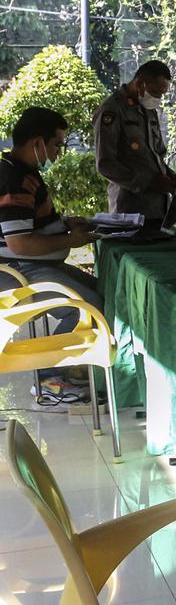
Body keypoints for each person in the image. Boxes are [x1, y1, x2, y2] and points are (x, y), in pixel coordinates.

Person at [1, 107, 104, 399]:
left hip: (28, 264)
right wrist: (70, 240)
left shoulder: (23, 172)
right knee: (89, 306)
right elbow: (20, 243)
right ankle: (52, 379)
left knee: (102, 292)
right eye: (56, 144)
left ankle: (77, 370)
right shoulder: (15, 178)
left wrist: (63, 225)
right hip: (16, 270)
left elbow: (29, 222)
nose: (59, 152)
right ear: (37, 143)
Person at [92, 59, 176, 219]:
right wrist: (149, 182)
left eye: (161, 94)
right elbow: (105, 164)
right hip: (129, 209)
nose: (157, 98)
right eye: (155, 93)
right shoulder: (112, 110)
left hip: (158, 208)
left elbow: (156, 153)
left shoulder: (149, 109)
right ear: (140, 83)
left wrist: (169, 175)